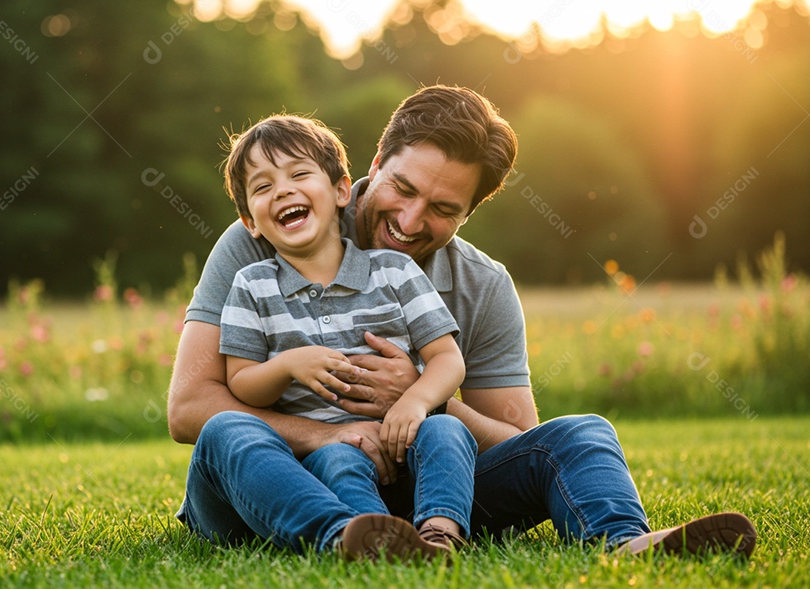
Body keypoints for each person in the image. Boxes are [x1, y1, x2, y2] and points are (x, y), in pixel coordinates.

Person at [168, 85, 756, 559]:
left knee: (582, 433)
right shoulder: (266, 236)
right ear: (374, 164)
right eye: (402, 188)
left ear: (470, 212)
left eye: (442, 208)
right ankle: (341, 537)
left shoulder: (483, 285)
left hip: (421, 490)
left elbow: (518, 446)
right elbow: (190, 407)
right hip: (269, 492)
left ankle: (624, 543)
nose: (408, 220)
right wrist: (327, 435)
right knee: (226, 432)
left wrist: (425, 398)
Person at [217, 114, 474, 557]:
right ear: (250, 221)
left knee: (448, 430)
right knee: (339, 459)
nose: (282, 191)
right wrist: (287, 365)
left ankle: (440, 533)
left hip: (404, 436)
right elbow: (241, 382)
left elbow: (447, 359)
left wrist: (415, 401)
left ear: (341, 191)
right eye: (263, 187)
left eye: (299, 174)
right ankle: (375, 542)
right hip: (327, 451)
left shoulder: (395, 270)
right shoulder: (251, 285)